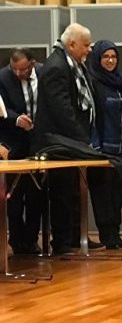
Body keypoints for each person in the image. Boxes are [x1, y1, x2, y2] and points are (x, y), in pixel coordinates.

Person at [33, 23, 103, 254]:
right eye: (86, 45)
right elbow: (62, 109)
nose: (90, 49)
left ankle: (76, 236)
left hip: (71, 139)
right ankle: (62, 242)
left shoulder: (74, 63)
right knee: (62, 193)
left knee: (74, 190)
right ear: (71, 44)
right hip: (59, 141)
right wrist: (81, 139)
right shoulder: (56, 66)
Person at [87, 40, 122, 249]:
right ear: (97, 59)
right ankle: (106, 234)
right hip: (103, 150)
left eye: (113, 57)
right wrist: (95, 145)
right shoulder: (92, 83)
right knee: (102, 195)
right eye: (105, 57)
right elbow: (91, 118)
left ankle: (115, 233)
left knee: (119, 193)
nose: (110, 61)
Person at [0, 48, 43, 254]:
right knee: (14, 197)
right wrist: (16, 119)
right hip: (13, 143)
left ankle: (32, 239)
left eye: (23, 69)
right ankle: (16, 240)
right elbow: (1, 108)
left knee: (36, 195)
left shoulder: (44, 73)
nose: (18, 73)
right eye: (14, 69)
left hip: (38, 144)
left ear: (32, 64)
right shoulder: (3, 77)